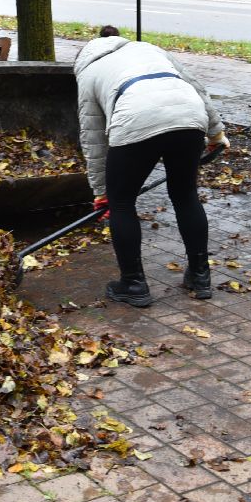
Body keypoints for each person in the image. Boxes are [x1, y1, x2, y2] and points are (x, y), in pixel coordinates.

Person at [75, 25, 227, 307]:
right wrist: (216, 134)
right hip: (188, 115)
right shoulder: (150, 49)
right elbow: (197, 89)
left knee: (121, 203)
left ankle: (133, 284)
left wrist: (101, 193)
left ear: (88, 51)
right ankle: (200, 276)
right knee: (185, 195)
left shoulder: (88, 71)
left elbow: (93, 137)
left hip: (134, 119)